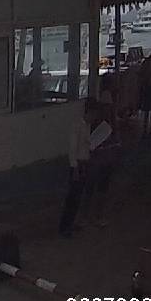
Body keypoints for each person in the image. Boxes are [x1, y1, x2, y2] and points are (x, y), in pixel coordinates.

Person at [59, 99, 96, 238]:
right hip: (78, 165)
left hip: (84, 163)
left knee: (77, 197)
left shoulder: (86, 126)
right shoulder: (77, 126)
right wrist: (74, 167)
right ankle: (65, 226)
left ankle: (70, 223)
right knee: (73, 197)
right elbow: (72, 148)